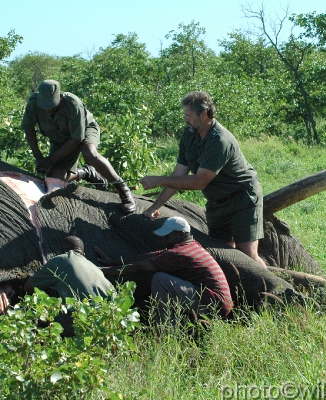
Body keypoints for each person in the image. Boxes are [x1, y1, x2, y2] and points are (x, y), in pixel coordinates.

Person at [139, 91, 267, 267]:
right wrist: (154, 207)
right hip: (217, 202)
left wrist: (158, 180)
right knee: (223, 252)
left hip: (242, 198)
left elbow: (199, 182)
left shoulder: (220, 141)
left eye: (189, 116)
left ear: (204, 114)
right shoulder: (189, 134)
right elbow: (177, 177)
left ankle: (269, 291)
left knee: (247, 255)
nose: (186, 120)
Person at [21, 79, 136, 214]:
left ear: (60, 97)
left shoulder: (72, 103)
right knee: (53, 181)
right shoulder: (33, 103)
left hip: (84, 130)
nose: (47, 110)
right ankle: (87, 172)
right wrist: (38, 157)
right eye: (44, 106)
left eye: (51, 105)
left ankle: (123, 190)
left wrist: (51, 160)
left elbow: (77, 139)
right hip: (60, 138)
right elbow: (28, 129)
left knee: (90, 153)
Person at [95, 217, 233, 329]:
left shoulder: (180, 253)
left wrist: (102, 271)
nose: (163, 240)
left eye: (167, 236)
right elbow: (151, 256)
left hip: (214, 305)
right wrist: (113, 262)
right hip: (220, 302)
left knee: (160, 279)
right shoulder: (192, 246)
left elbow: (141, 267)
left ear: (181, 234)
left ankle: (165, 329)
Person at [23, 236, 114, 336]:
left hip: (85, 321)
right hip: (111, 321)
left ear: (63, 251)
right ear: (83, 254)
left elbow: (28, 287)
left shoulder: (60, 260)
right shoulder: (93, 266)